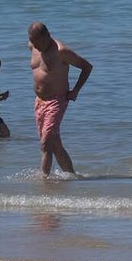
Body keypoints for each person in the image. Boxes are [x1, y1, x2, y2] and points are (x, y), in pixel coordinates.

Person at [28, 21, 93, 176]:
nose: (36, 47)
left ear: (48, 36)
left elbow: (87, 67)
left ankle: (43, 181)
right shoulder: (32, 45)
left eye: (39, 43)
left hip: (56, 101)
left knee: (46, 144)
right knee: (54, 144)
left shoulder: (61, 51)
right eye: (34, 43)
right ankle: (72, 176)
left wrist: (75, 90)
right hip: (39, 101)